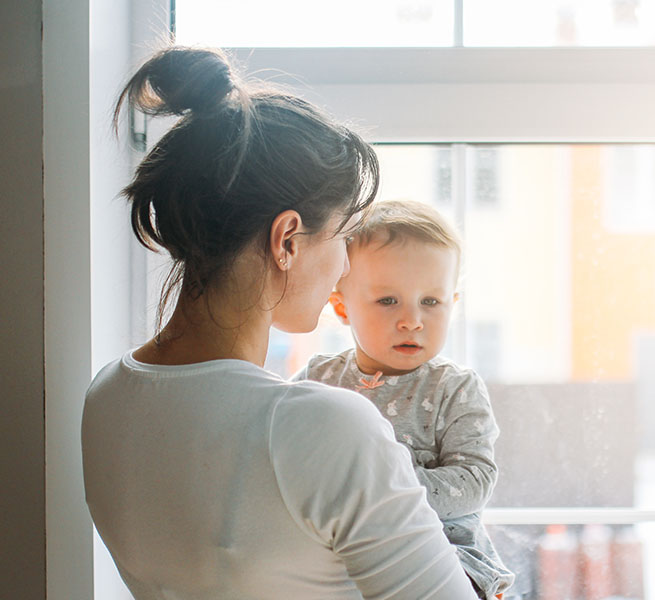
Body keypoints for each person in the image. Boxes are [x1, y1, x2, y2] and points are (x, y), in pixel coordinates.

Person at [81, 46, 479, 600]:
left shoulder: (106, 395)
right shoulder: (321, 426)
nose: (343, 264)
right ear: (287, 239)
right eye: (344, 236)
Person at [296, 200, 515, 599]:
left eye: (430, 302)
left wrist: (386, 489)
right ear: (341, 306)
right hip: (337, 554)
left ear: (453, 305)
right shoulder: (318, 379)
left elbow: (475, 482)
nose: (412, 320)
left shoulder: (455, 388)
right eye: (388, 301)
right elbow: (277, 446)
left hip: (444, 553)